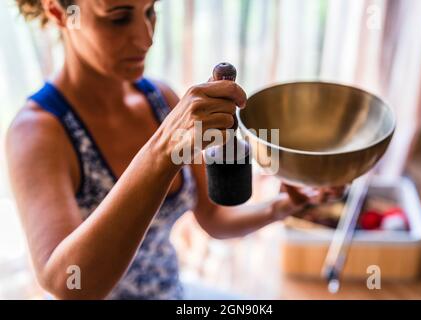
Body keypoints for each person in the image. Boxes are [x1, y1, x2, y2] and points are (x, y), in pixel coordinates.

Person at [6, 0, 343, 300]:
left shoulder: (160, 98)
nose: (146, 37)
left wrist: (284, 206)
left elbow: (214, 218)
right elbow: (70, 286)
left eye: (150, 11)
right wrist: (162, 149)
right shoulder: (37, 132)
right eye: (119, 17)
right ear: (58, 12)